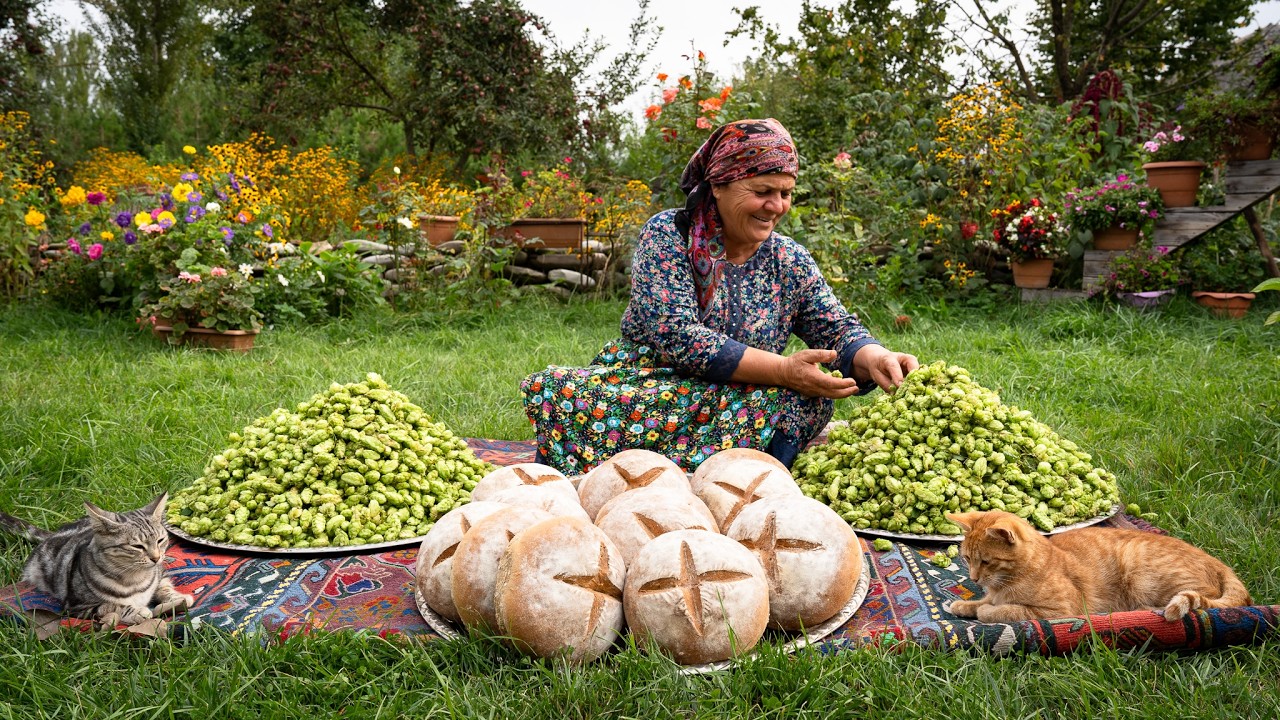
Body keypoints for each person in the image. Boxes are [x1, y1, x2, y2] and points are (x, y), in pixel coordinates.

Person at [521, 118, 918, 474]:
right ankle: (666, 475)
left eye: (785, 193)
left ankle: (740, 485)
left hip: (742, 393)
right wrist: (783, 370)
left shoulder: (788, 257)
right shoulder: (669, 236)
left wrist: (874, 357)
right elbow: (679, 337)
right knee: (566, 390)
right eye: (763, 190)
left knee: (804, 402)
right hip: (655, 386)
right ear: (719, 186)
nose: (776, 206)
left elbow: (834, 327)